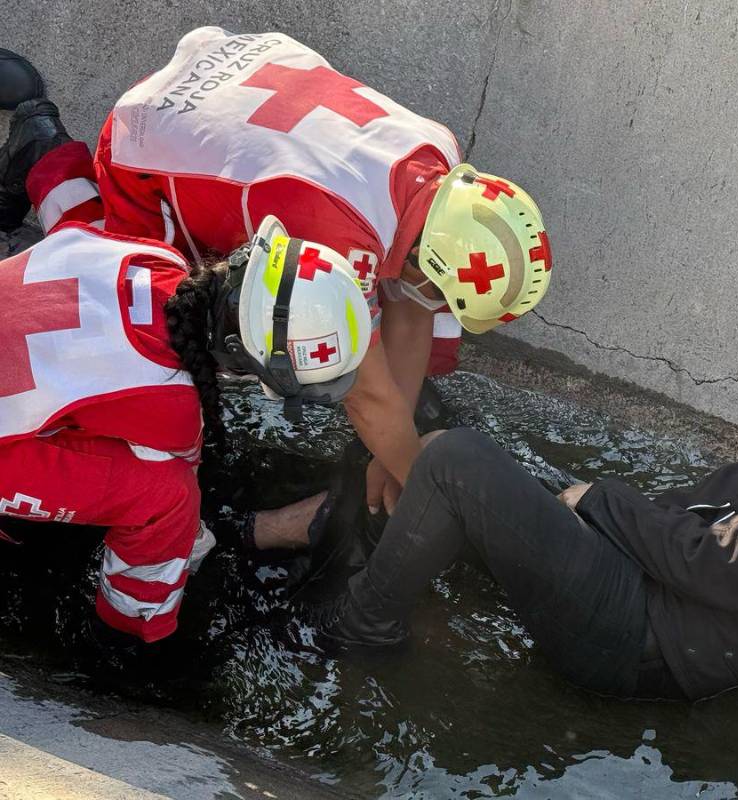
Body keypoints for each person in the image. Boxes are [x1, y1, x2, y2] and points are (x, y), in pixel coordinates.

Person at [251, 292, 738, 700]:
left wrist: (599, 500)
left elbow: (714, 564)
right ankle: (304, 531)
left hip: (643, 640)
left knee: (456, 459)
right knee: (424, 424)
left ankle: (357, 628)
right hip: (648, 589)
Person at [0, 28, 554, 509]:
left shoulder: (439, 162)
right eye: (443, 292)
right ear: (426, 259)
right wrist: (412, 474)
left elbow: (406, 305)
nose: (436, 305)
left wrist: (393, 447)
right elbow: (367, 391)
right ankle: (44, 151)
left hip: (227, 75)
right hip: (147, 130)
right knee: (132, 296)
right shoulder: (337, 236)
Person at [0, 212, 373, 644]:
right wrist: (194, 547)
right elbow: (177, 509)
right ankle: (129, 628)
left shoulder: (154, 259)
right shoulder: (170, 404)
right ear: (238, 355)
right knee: (168, 499)